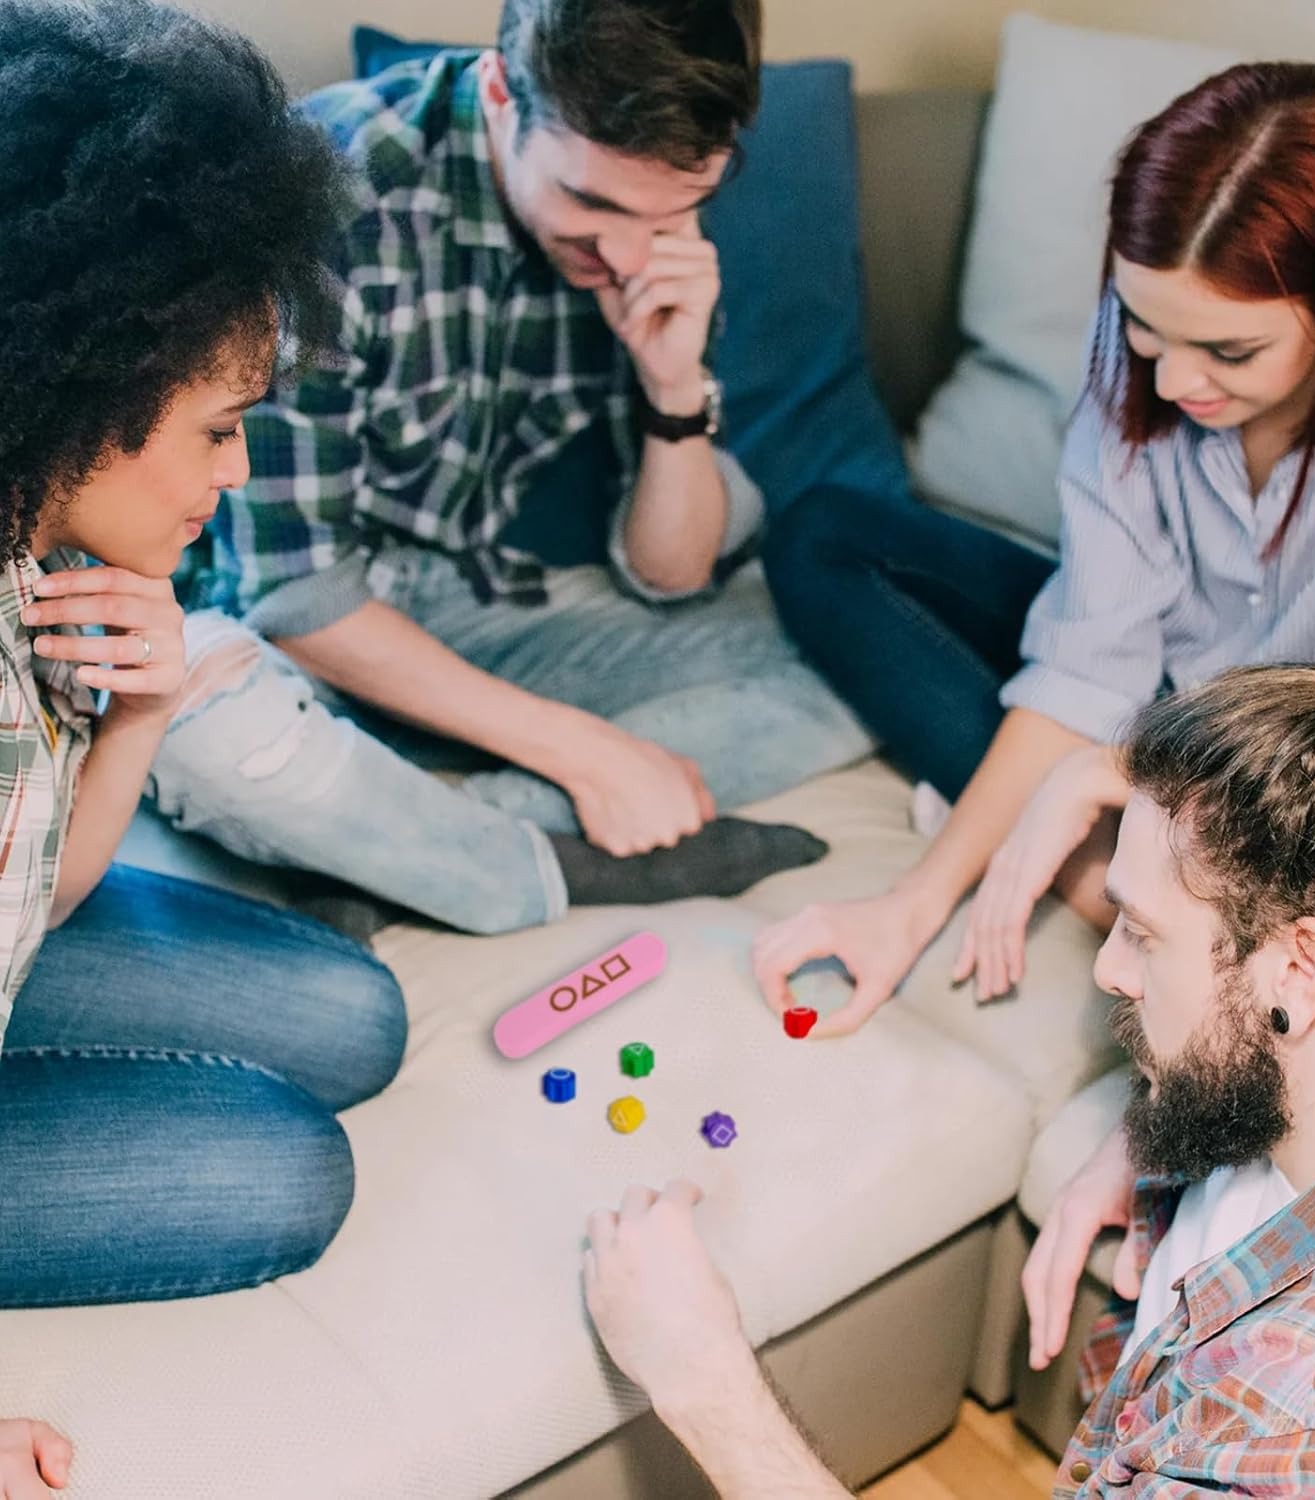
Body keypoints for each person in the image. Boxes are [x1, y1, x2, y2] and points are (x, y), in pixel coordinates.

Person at [583, 595, 1315, 1497]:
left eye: (1141, 933)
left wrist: (699, 1374)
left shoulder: (1314, 1435)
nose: (1108, 969)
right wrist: (1152, 1131)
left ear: (1302, 970)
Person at [754, 60, 1315, 1035]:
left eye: (1230, 353)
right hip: (1163, 697)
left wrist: (1116, 774)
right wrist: (909, 907)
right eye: (1147, 329)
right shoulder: (1143, 336)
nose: (1176, 377)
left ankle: (1137, 885)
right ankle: (1116, 875)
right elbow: (1087, 658)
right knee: (823, 536)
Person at [144, 0, 871, 940]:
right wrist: (582, 750)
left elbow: (673, 571)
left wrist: (673, 384)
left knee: (844, 652)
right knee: (200, 733)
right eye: (592, 204)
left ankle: (401, 848)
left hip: (467, 600)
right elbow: (291, 592)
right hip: (284, 633)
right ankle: (532, 863)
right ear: (500, 92)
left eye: (670, 212)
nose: (626, 253)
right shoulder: (330, 189)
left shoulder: (652, 229)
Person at [0, 0, 410, 1483]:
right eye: (220, 428)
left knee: (360, 1016)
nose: (233, 478)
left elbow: (32, 888)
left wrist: (144, 712)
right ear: (91, 386)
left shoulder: (42, 550)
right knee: (287, 1166)